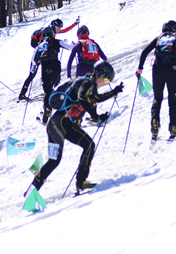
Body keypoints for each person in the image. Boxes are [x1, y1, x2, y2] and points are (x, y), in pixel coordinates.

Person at [25, 61, 123, 195]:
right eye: (106, 79)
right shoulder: (87, 83)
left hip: (67, 124)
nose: (105, 83)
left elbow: (97, 98)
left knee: (89, 145)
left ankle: (81, 182)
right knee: (54, 161)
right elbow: (82, 98)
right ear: (100, 74)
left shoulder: (91, 85)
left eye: (108, 81)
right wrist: (95, 115)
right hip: (57, 124)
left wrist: (114, 92)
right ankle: (32, 190)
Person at [136, 20, 176, 142]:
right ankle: (173, 127)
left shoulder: (159, 38)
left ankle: (155, 123)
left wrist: (140, 69)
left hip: (158, 69)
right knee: (172, 99)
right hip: (173, 70)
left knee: (157, 98)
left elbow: (144, 52)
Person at [18, 17, 79, 101]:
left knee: (38, 73)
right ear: (53, 25)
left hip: (41, 55)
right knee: (32, 75)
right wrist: (40, 45)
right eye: (57, 28)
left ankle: (23, 93)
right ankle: (22, 93)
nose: (58, 30)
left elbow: (65, 30)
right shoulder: (46, 31)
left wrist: (75, 24)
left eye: (59, 28)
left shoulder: (53, 31)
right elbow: (33, 42)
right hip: (39, 54)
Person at [33, 26, 75, 124]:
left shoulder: (40, 45)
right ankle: (64, 109)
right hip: (56, 66)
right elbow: (70, 47)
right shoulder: (56, 41)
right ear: (52, 34)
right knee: (56, 87)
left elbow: (34, 61)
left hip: (45, 67)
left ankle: (47, 109)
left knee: (48, 89)